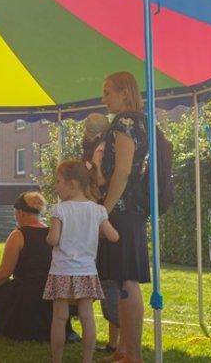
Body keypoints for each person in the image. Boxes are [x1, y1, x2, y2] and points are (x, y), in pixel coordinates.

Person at [97, 71, 151, 363]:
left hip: (123, 212)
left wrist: (104, 209)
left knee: (127, 281)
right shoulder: (139, 122)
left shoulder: (125, 122)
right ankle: (125, 350)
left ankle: (133, 353)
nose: (104, 98)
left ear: (125, 94)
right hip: (131, 210)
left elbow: (123, 170)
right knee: (122, 280)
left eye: (108, 92)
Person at [45, 160, 119, 363]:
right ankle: (87, 360)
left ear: (72, 183)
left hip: (62, 270)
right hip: (86, 271)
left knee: (60, 318)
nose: (56, 186)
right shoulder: (98, 210)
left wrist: (50, 236)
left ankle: (56, 360)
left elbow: (53, 239)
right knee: (87, 317)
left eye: (58, 181)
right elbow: (113, 237)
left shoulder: (59, 210)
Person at [0, 191, 53, 341]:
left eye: (14, 212)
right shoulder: (52, 233)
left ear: (21, 212)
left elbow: (4, 274)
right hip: (51, 297)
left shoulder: (18, 235)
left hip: (27, 298)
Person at [81, 112, 120, 353]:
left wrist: (90, 172)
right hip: (103, 210)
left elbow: (101, 180)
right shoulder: (106, 145)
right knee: (109, 279)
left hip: (102, 210)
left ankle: (117, 338)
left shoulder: (99, 148)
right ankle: (114, 339)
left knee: (108, 278)